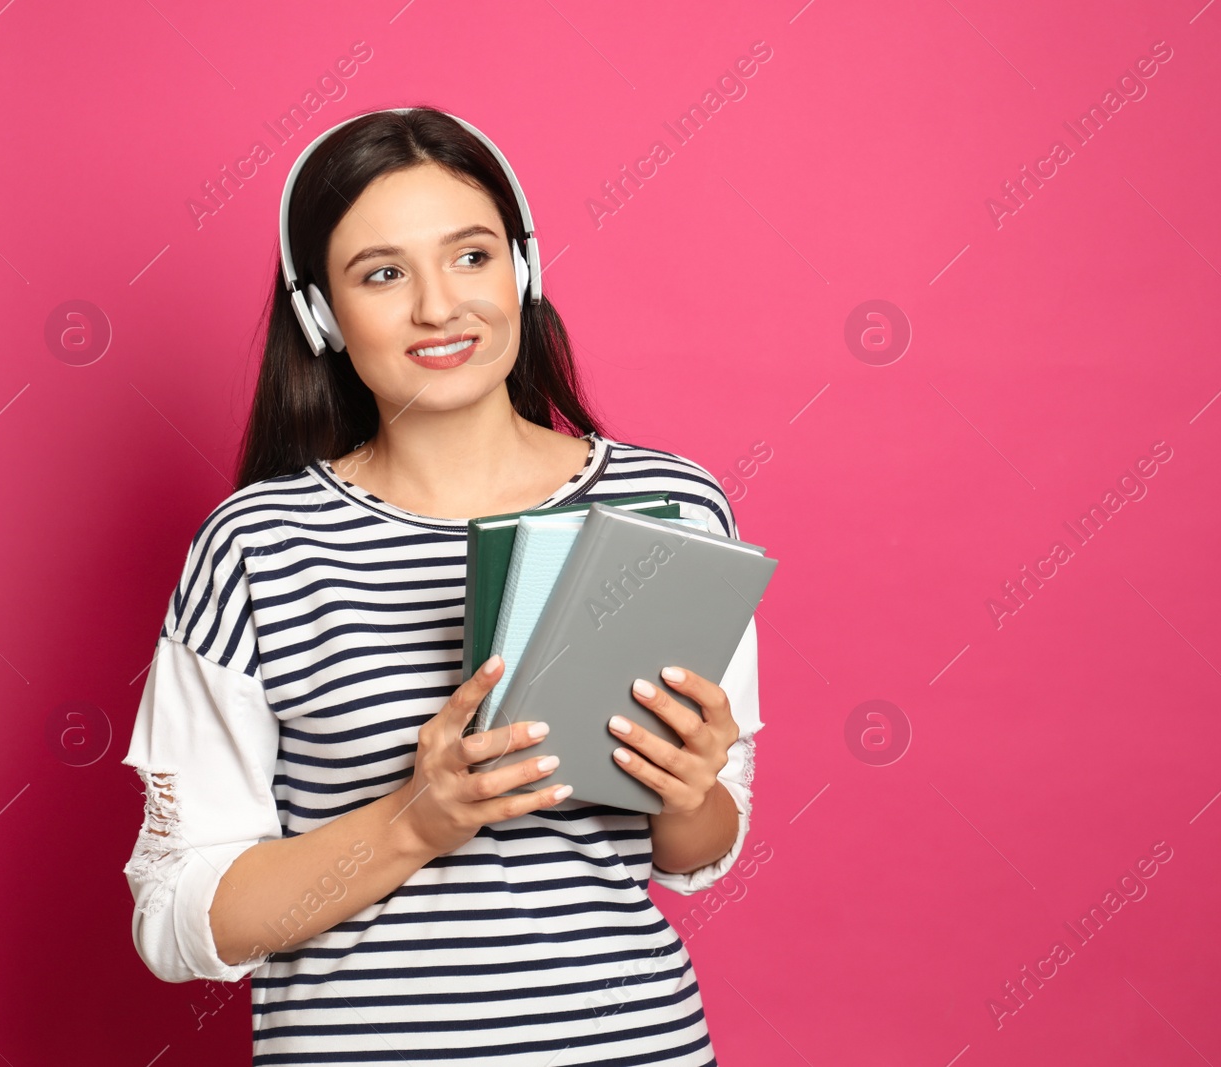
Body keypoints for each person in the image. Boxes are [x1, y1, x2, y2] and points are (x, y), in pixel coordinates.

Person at [119, 106, 764, 1065]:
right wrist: (414, 821)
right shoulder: (256, 546)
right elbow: (175, 916)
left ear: (524, 269)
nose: (439, 306)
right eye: (383, 274)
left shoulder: (666, 507)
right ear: (320, 315)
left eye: (471, 256)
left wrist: (690, 786)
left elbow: (698, 848)